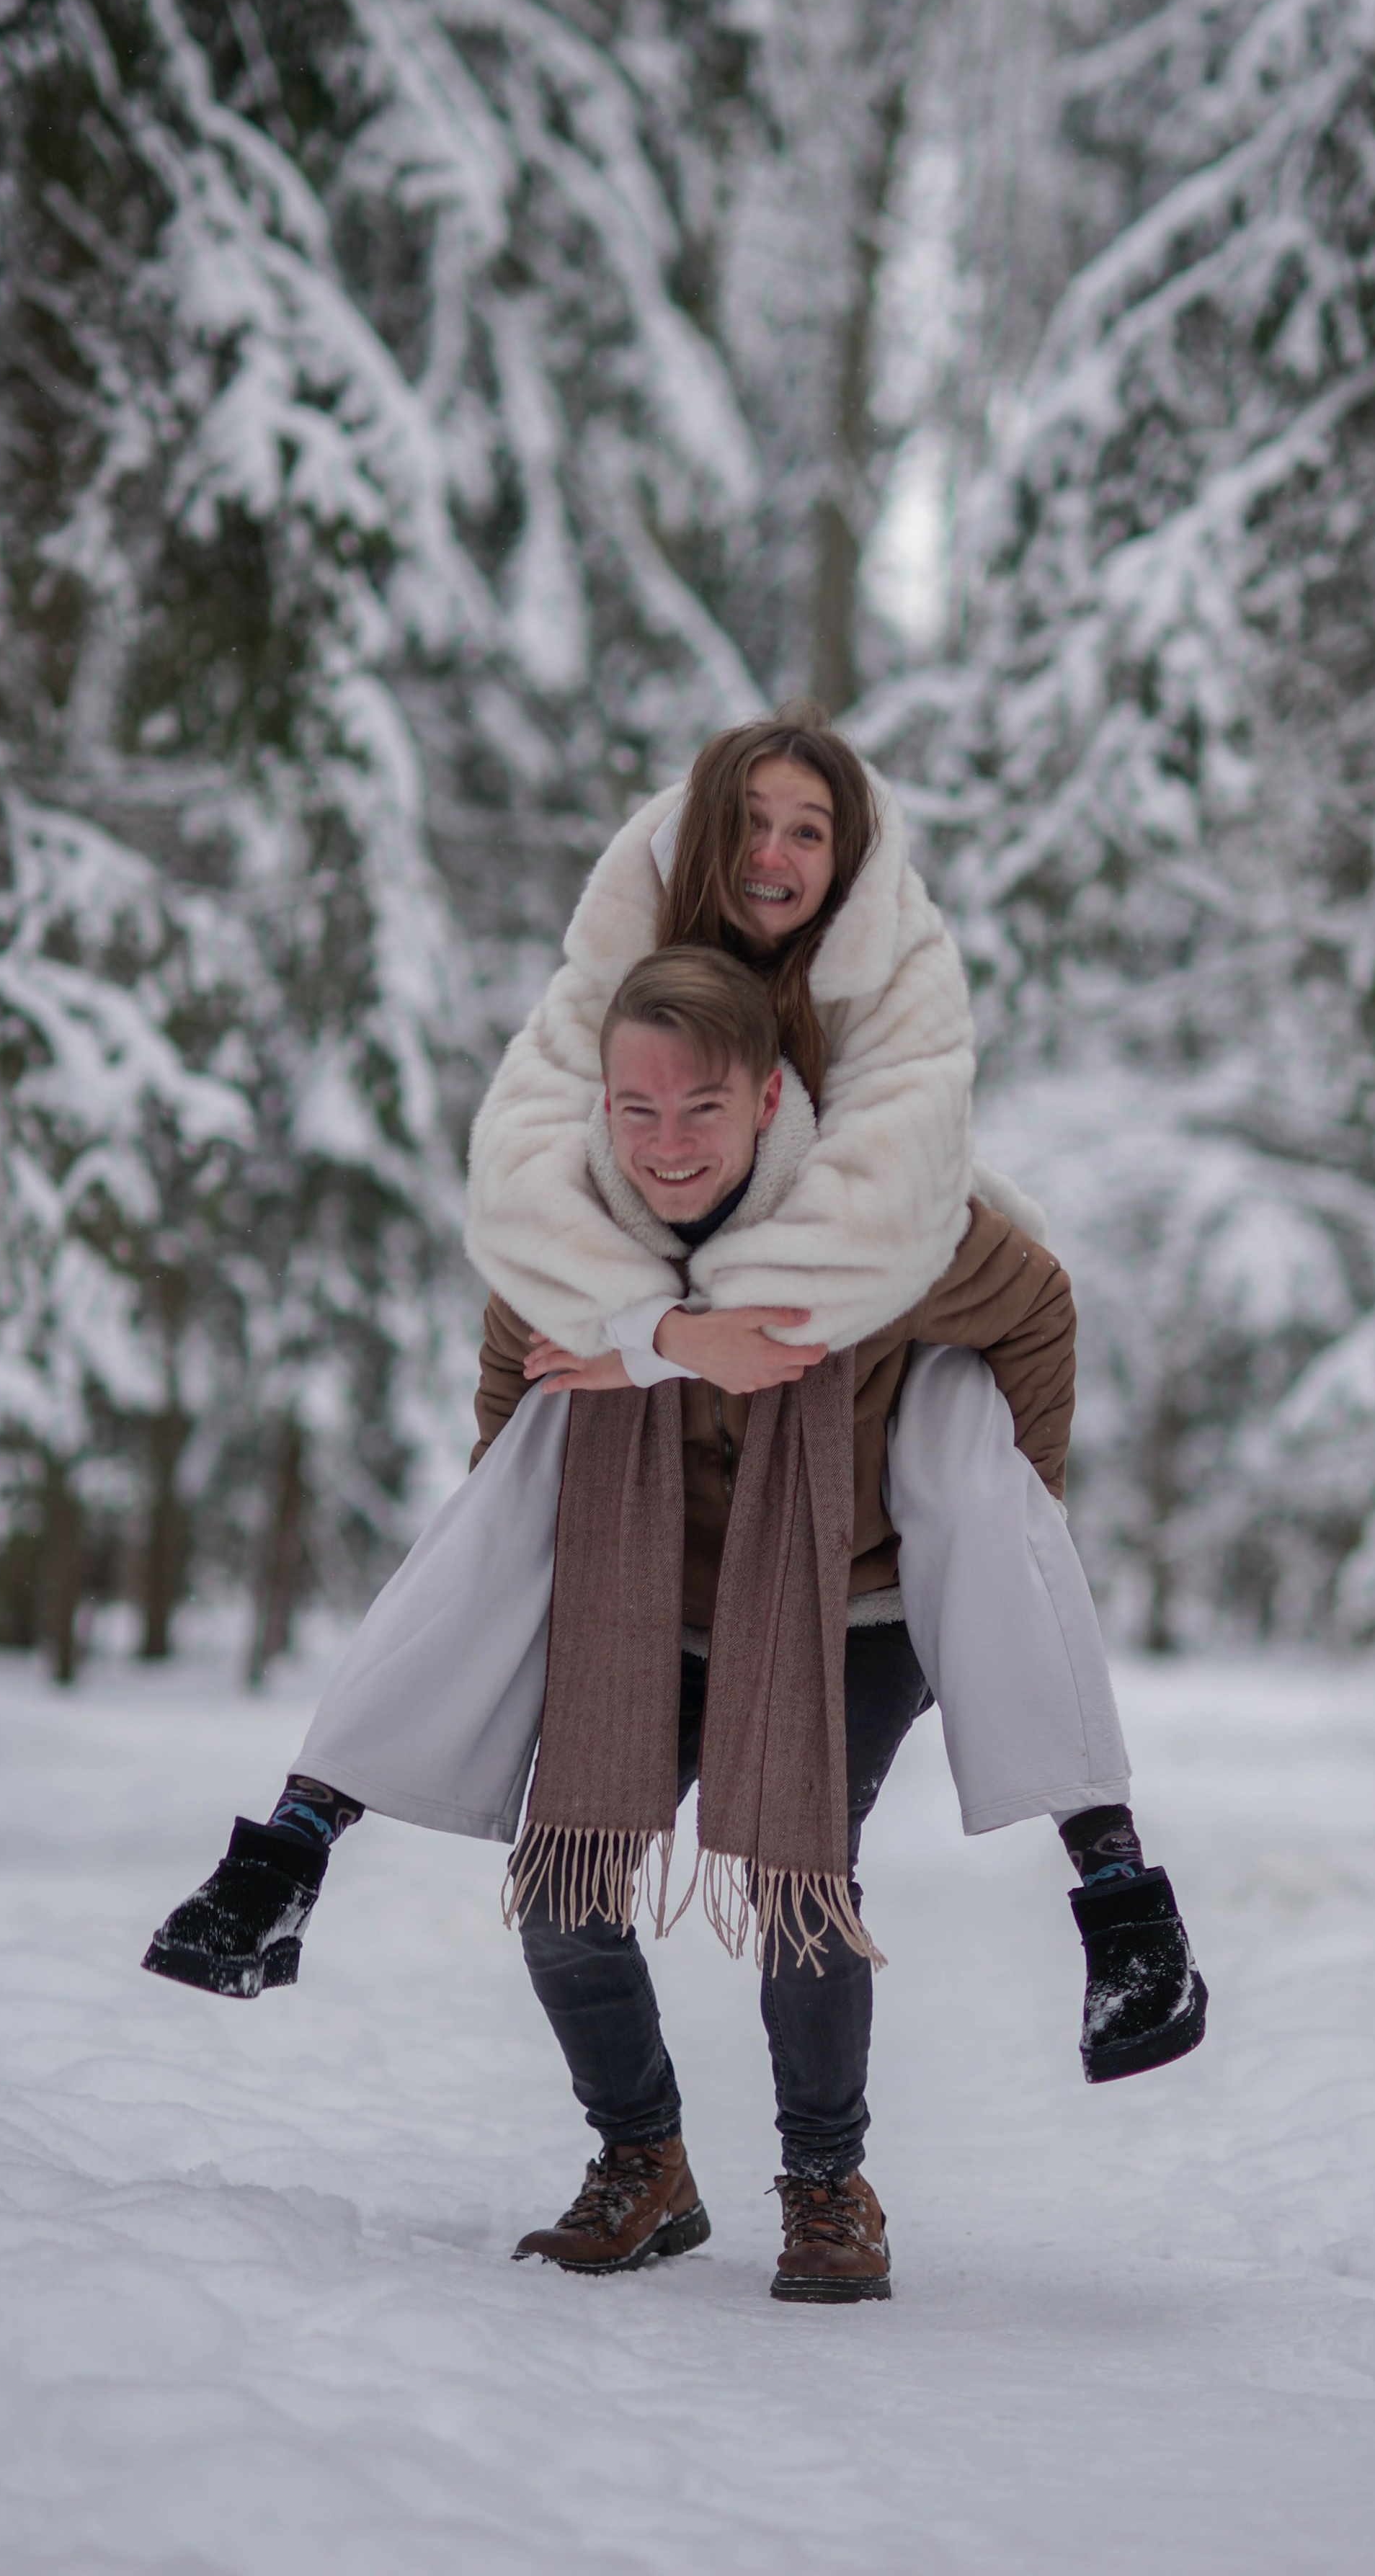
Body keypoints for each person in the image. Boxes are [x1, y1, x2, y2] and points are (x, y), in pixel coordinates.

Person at [145, 705, 1201, 2095]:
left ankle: (1119, 1897)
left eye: (808, 829)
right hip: (665, 1545)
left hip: (849, 1550)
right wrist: (639, 1374)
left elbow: (1011, 1300)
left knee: (960, 1439)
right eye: (751, 823)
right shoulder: (616, 1053)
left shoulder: (892, 1064)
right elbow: (524, 1264)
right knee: (535, 1454)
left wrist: (985, 1554)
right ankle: (295, 1843)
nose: (775, 852)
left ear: (767, 1099)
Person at [482, 951, 1205, 2299]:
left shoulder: (879, 1225)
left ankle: (827, 2184)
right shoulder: (575, 1230)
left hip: (853, 1607)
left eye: (702, 1109)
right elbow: (511, 1384)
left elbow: (1037, 1306)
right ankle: (646, 2160)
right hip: (659, 1609)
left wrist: (995, 1517)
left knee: (798, 1878)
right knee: (564, 1890)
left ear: (767, 1102)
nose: (666, 1144)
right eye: (636, 1111)